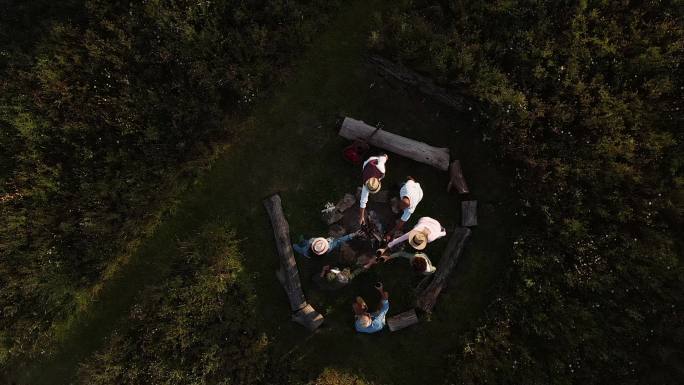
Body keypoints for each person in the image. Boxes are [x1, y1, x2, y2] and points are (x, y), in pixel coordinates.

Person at [359, 154, 389, 225]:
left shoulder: (381, 168)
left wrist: (385, 157)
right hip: (367, 163)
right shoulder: (366, 184)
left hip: (373, 160)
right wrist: (361, 217)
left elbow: (384, 157)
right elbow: (363, 202)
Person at [293, 230, 362, 258]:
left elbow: (312, 242)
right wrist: (353, 235)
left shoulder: (307, 251)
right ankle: (303, 242)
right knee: (306, 242)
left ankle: (297, 247)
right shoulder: (330, 247)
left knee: (295, 246)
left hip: (305, 252)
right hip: (309, 250)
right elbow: (339, 240)